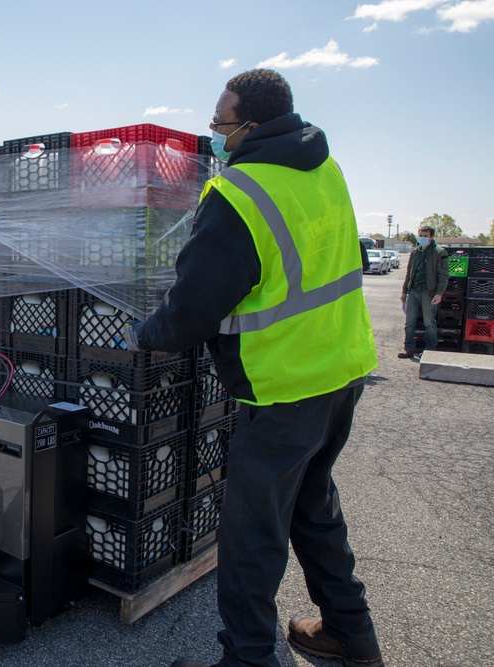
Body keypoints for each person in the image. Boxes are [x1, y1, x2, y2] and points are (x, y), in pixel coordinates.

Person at [121, 70, 383, 667]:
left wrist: (141, 333)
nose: (215, 134)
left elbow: (192, 310)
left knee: (250, 533)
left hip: (284, 386)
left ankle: (246, 660)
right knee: (314, 504)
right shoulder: (325, 169)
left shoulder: (240, 194)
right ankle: (351, 633)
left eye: (220, 124)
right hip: (342, 370)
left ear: (252, 126)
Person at [398, 225, 449, 359]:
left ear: (431, 237)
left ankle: (430, 350)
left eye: (425, 236)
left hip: (429, 292)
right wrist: (404, 291)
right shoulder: (415, 252)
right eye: (420, 235)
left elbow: (444, 275)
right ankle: (409, 348)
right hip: (413, 291)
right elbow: (409, 273)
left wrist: (439, 293)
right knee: (409, 322)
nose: (422, 238)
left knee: (429, 323)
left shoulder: (439, 252)